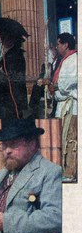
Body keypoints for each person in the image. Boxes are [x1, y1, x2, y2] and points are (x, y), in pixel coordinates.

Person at [43, 32, 77, 181]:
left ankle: (70, 172)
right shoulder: (64, 60)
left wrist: (51, 85)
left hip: (71, 106)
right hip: (62, 107)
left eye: (58, 44)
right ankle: (63, 169)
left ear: (65, 44)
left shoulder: (74, 60)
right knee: (61, 138)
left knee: (70, 139)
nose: (56, 47)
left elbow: (65, 85)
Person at [0, 18, 28, 118]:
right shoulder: (9, 54)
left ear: (11, 39)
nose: (1, 40)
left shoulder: (14, 55)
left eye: (3, 37)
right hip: (10, 98)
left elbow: (12, 78)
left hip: (13, 99)